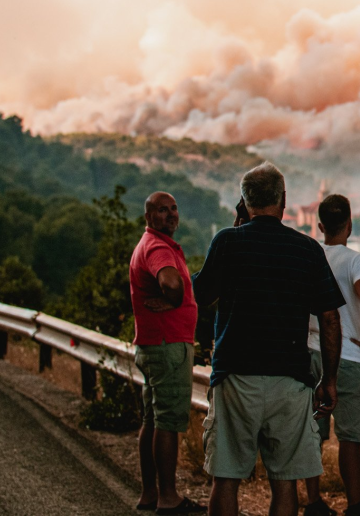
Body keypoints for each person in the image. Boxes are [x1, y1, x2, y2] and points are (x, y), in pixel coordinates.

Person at [193, 163, 346, 516]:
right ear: (284, 200)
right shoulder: (307, 249)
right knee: (285, 480)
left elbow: (201, 295)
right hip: (290, 380)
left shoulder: (228, 242)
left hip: (235, 377)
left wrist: (235, 229)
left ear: (244, 202)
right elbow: (330, 317)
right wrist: (330, 380)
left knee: (226, 477)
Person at [303, 194, 360, 516]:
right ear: (350, 225)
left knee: (314, 433)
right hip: (349, 356)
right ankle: (354, 504)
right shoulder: (355, 261)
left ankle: (313, 501)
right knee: (351, 438)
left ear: (320, 225)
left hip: (311, 352)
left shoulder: (309, 256)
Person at [130, 191, 205, 514]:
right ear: (149, 216)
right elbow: (171, 282)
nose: (171, 214)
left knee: (152, 419)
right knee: (169, 422)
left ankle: (150, 493)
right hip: (167, 345)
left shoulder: (148, 243)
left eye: (174, 208)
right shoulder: (158, 247)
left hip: (153, 344)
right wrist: (175, 300)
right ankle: (169, 497)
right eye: (162, 210)